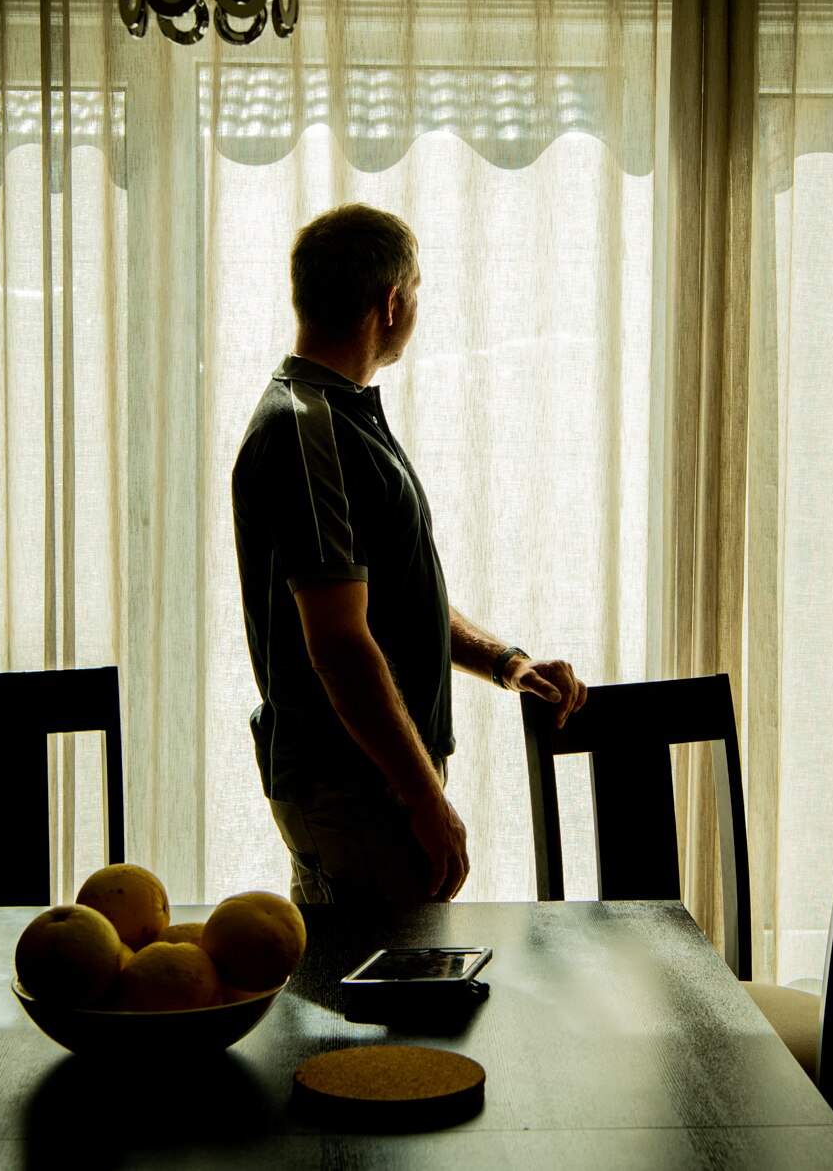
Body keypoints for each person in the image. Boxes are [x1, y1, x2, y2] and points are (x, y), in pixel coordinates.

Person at [231, 203, 587, 904]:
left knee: (370, 1005)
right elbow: (338, 643)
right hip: (358, 792)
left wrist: (504, 660)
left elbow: (390, 602)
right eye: (416, 288)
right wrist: (427, 801)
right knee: (379, 1011)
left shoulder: (339, 415)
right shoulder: (310, 430)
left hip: (373, 787)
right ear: (390, 303)